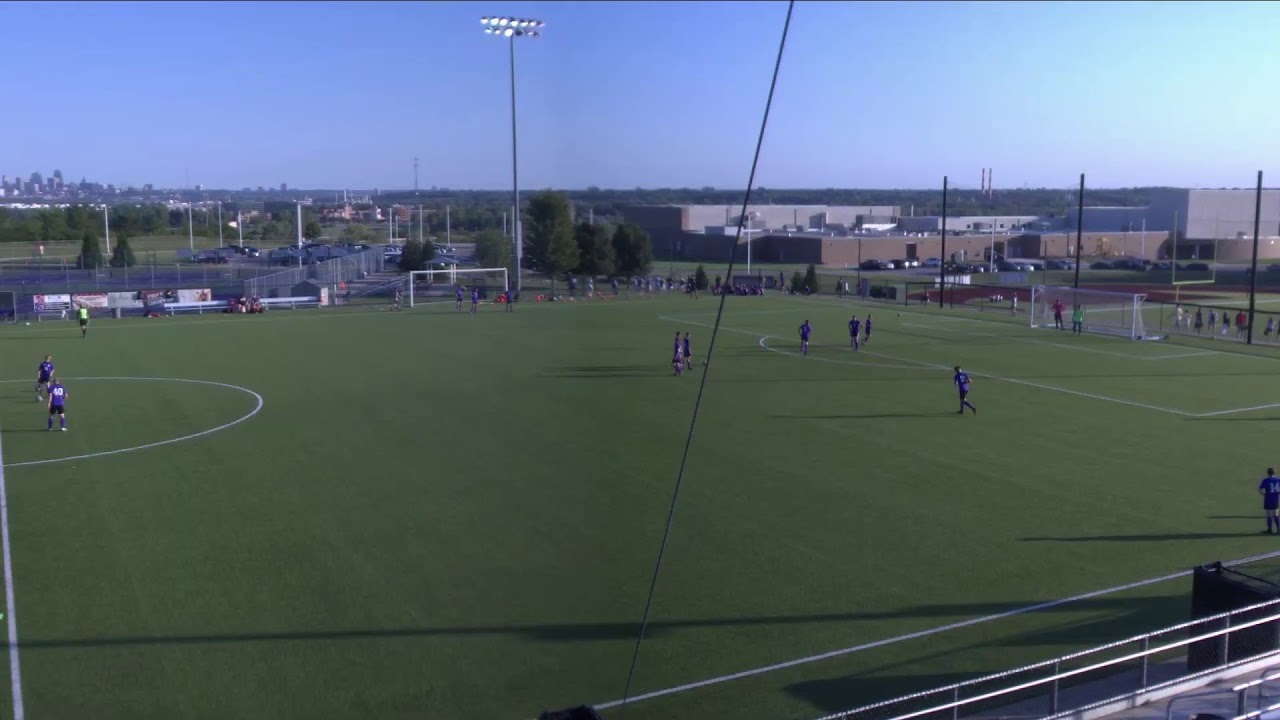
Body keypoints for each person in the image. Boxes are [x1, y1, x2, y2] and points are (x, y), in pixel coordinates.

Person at [1261, 468, 1280, 534]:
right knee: (1276, 514)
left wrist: (1263, 494)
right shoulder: (1278, 479)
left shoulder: (1266, 480)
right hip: (1276, 499)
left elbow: (1260, 488)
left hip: (1268, 499)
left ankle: (1270, 530)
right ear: (1274, 472)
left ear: (1267, 472)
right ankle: (1278, 530)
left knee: (1269, 515)